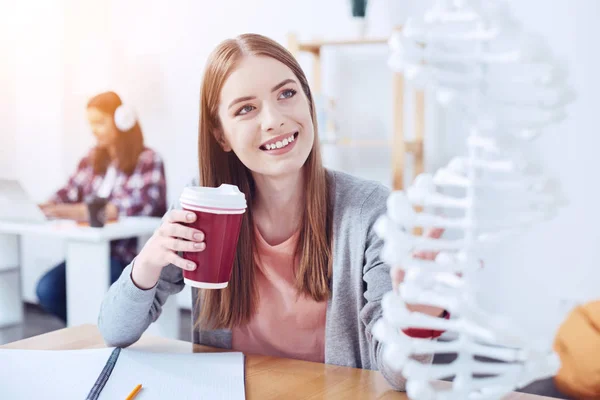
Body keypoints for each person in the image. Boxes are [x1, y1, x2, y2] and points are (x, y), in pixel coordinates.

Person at [97, 35, 446, 390]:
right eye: (246, 109)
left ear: (309, 102)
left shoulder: (369, 211)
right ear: (221, 135)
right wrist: (148, 263)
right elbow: (114, 331)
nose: (274, 119)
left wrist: (414, 320)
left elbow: (399, 378)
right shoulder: (203, 207)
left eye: (287, 94)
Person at [36, 91, 167, 323]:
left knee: (93, 287)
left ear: (121, 120)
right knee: (47, 289)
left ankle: (105, 329)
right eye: (90, 124)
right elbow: (67, 191)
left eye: (99, 123)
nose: (93, 130)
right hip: (86, 251)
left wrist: (67, 211)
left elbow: (135, 207)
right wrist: (45, 205)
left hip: (127, 259)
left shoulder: (148, 160)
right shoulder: (92, 158)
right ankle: (95, 329)